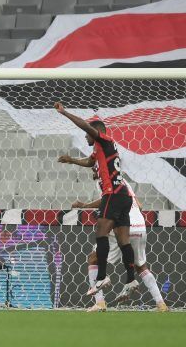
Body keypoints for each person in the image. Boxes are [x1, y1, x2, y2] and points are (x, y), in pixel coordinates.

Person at [55, 102, 137, 299]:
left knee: (101, 233)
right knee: (123, 240)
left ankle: (102, 277)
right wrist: (72, 160)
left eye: (88, 134)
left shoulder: (105, 139)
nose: (85, 136)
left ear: (96, 132)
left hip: (113, 194)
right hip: (124, 196)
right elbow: (91, 162)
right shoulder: (102, 147)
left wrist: (65, 112)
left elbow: (85, 126)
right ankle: (131, 280)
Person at [71, 170, 168, 312]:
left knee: (93, 259)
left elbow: (107, 200)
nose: (92, 170)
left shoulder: (104, 181)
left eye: (95, 167)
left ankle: (100, 303)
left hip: (122, 226)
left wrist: (85, 205)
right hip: (140, 226)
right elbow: (139, 206)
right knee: (140, 266)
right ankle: (161, 305)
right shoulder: (123, 182)